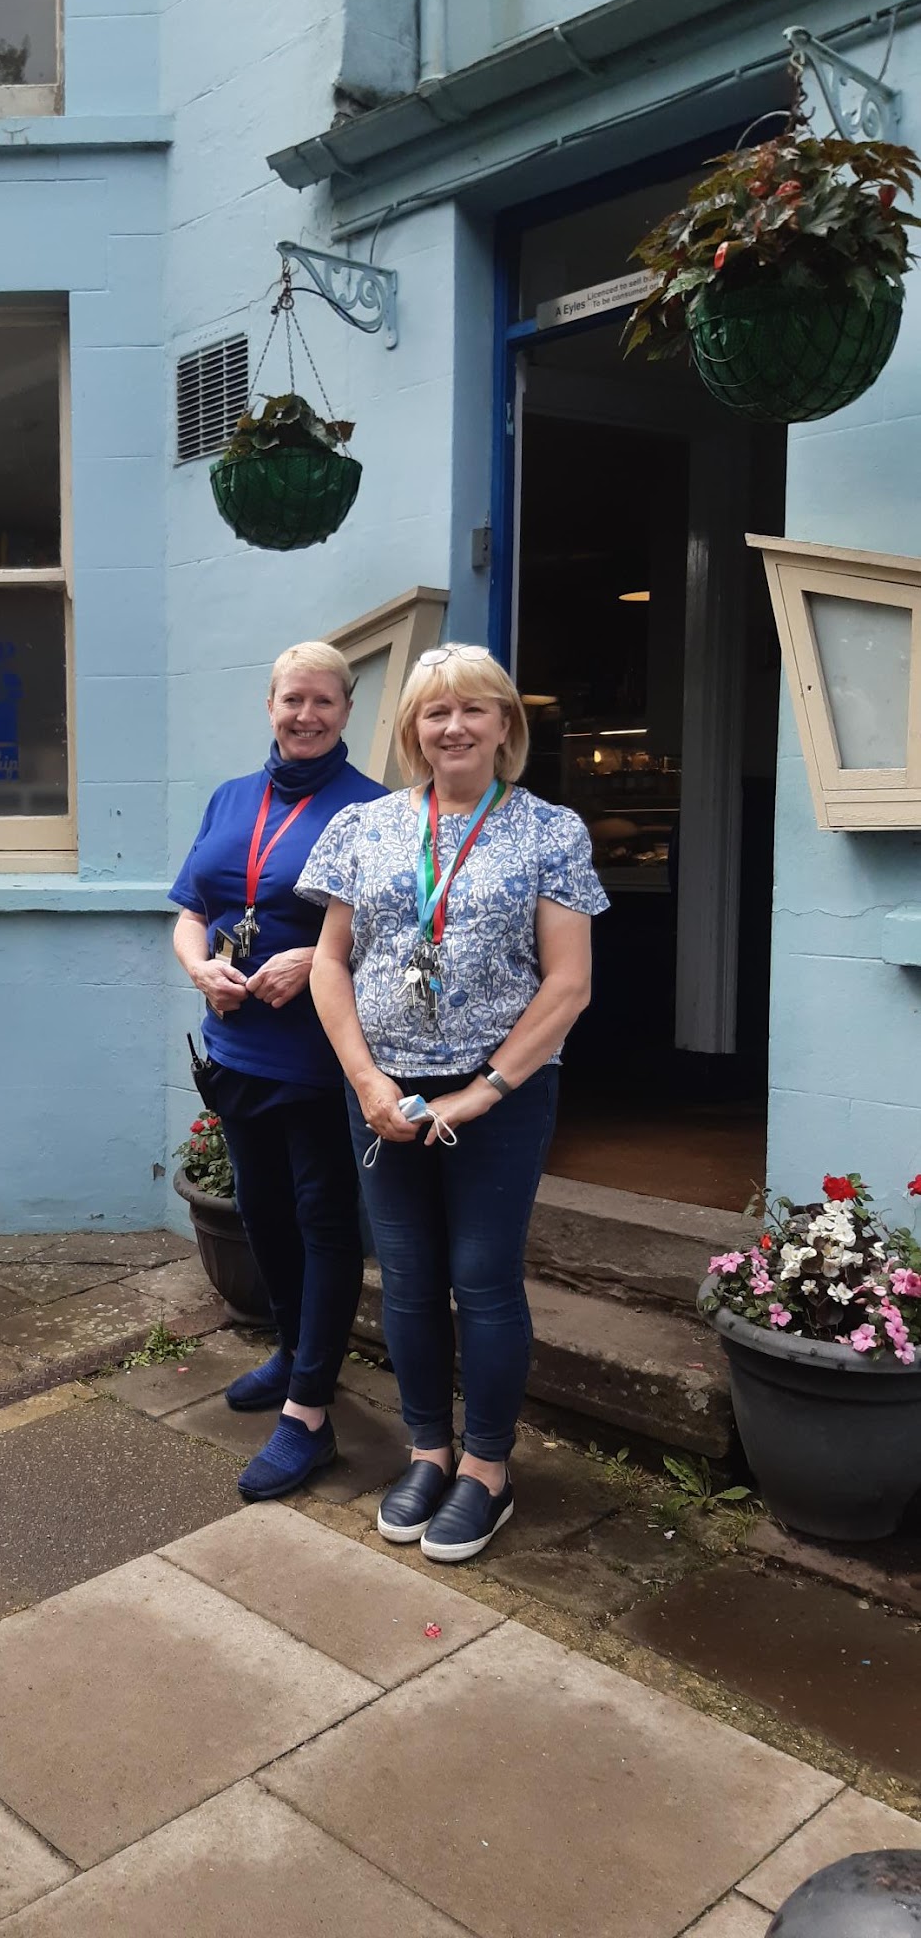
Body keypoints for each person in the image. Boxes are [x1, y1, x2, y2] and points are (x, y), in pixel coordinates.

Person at [298, 642, 607, 1561]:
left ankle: (487, 1469)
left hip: (500, 1097)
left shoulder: (551, 831)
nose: (455, 726)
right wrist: (367, 1082)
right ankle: (427, 1449)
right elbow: (329, 962)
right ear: (412, 731)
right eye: (436, 712)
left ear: (505, 724)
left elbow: (567, 986)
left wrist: (481, 1094)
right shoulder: (367, 827)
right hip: (385, 1095)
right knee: (406, 1280)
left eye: (475, 709)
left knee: (483, 1281)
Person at [170, 641, 387, 1499]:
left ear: (346, 711)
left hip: (318, 1053)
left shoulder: (375, 810)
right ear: (270, 705)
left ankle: (309, 1417)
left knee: (322, 1219)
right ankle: (298, 1355)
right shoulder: (230, 799)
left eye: (324, 702)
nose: (307, 716)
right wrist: (198, 968)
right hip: (233, 1046)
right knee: (260, 1210)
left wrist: (311, 961)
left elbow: (397, 938)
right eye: (292, 700)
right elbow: (193, 911)